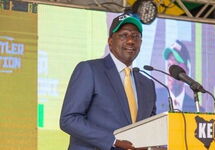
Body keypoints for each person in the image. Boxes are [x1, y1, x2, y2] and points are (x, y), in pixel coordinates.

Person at [60, 13, 157, 150]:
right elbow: (69, 119)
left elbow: (149, 127)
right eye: (123, 35)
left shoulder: (147, 84)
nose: (130, 41)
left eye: (135, 36)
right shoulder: (90, 70)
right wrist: (114, 141)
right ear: (110, 41)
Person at [156, 40, 204, 113]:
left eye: (175, 66)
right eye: (169, 65)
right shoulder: (154, 98)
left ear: (187, 71)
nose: (169, 72)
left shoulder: (196, 108)